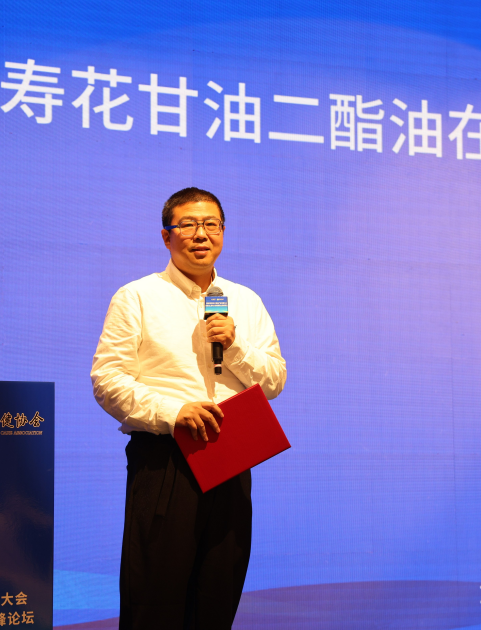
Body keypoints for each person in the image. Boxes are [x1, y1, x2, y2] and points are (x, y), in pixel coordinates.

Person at [91, 187, 287, 630]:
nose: (202, 234)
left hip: (232, 457)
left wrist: (234, 346)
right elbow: (107, 380)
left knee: (218, 593)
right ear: (166, 235)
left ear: (223, 232)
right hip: (166, 459)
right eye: (189, 225)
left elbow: (274, 380)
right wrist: (172, 411)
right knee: (154, 598)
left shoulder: (246, 301)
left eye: (211, 225)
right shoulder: (138, 296)